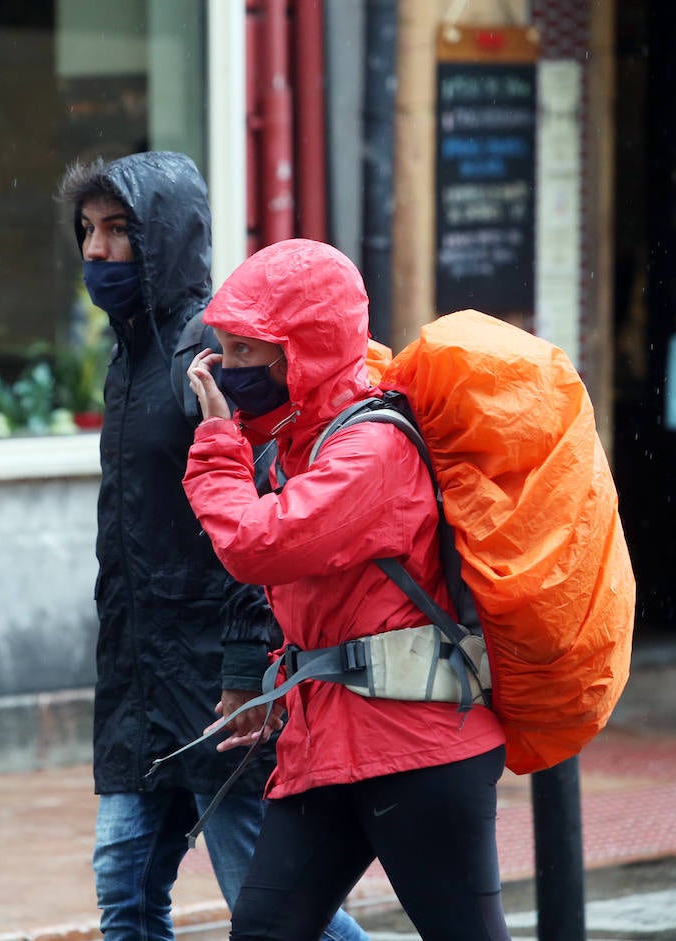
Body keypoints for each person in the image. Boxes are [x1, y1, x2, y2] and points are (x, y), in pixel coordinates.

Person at [57, 154, 366, 941]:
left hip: (213, 679)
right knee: (124, 896)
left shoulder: (213, 348)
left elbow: (259, 516)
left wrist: (242, 671)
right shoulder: (126, 358)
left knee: (272, 909)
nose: (97, 250)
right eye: (87, 231)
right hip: (137, 681)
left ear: (164, 238)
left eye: (118, 231)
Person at [184, 239, 512, 941]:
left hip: (418, 745)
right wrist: (285, 677)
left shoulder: (371, 449)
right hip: (329, 740)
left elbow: (258, 545)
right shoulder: (308, 440)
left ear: (300, 351)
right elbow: (326, 596)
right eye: (225, 348)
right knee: (266, 931)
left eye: (244, 352)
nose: (225, 369)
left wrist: (217, 443)